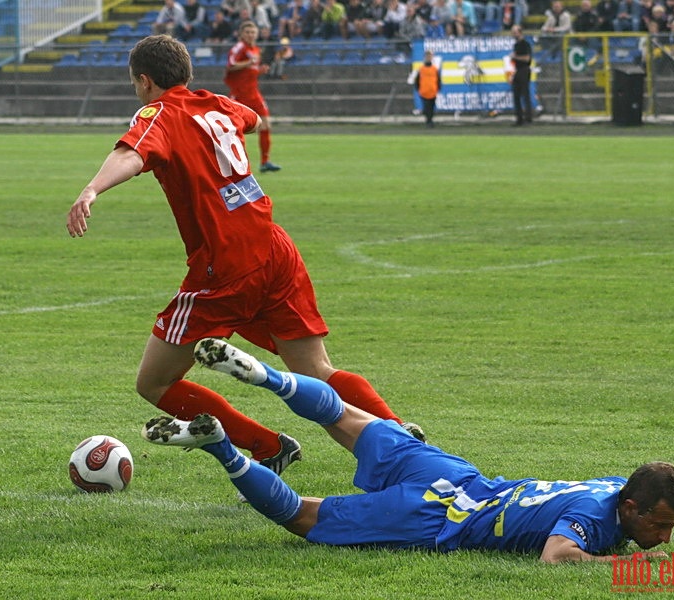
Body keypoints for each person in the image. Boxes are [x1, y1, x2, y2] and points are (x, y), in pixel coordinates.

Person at [66, 36, 424, 482]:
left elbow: (131, 153)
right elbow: (250, 119)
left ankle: (266, 446)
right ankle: (397, 436)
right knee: (316, 370)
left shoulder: (159, 113)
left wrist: (92, 189)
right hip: (274, 249)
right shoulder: (217, 103)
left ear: (144, 80)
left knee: (153, 383)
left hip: (226, 263)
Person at [143, 338, 674, 562]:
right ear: (629, 508)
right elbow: (557, 556)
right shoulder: (597, 519)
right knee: (302, 516)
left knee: (345, 416)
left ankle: (266, 376)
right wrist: (624, 568)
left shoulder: (607, 487)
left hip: (459, 475)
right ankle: (221, 446)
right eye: (660, 526)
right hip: (441, 516)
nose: (663, 538)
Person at [224, 20, 281, 173]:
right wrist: (249, 63)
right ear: (241, 34)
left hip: (253, 92)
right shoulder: (239, 48)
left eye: (253, 32)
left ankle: (265, 161)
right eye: (247, 32)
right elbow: (231, 65)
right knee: (233, 129)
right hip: (239, 94)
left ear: (257, 34)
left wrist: (259, 70)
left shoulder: (255, 49)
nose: (250, 35)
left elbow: (249, 70)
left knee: (266, 124)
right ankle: (235, 163)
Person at [510, 24, 532, 127]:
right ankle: (519, 118)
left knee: (525, 94)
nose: (514, 34)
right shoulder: (516, 45)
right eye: (513, 32)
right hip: (518, 70)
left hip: (524, 70)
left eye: (515, 32)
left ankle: (528, 118)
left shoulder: (525, 44)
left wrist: (515, 57)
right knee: (516, 95)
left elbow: (527, 59)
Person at [414, 50, 441, 127]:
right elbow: (417, 80)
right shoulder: (421, 69)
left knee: (431, 108)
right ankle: (428, 121)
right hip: (424, 92)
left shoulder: (434, 69)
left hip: (433, 91)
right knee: (426, 108)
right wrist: (418, 89)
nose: (428, 58)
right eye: (427, 56)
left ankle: (430, 121)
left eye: (430, 56)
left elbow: (438, 80)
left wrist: (438, 88)